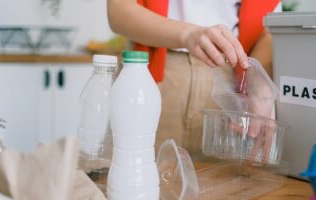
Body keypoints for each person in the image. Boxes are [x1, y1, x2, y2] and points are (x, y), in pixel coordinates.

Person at [107, 0, 281, 160]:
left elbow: (268, 30)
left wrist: (260, 88)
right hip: (156, 72)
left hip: (229, 82)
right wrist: (189, 33)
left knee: (221, 187)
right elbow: (119, 11)